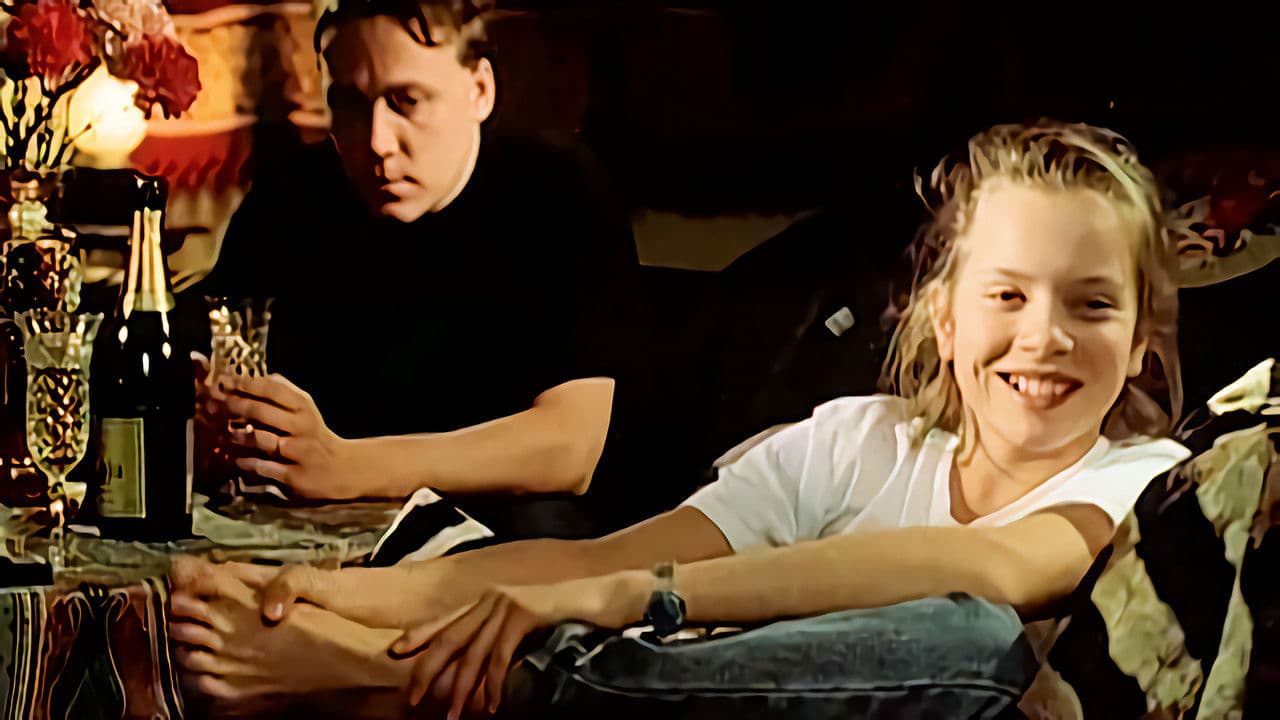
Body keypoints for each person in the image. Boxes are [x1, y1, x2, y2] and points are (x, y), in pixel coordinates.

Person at [171, 120, 1193, 718]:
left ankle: (417, 692)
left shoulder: (1150, 480)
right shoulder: (854, 440)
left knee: (970, 636)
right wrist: (321, 591)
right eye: (1007, 296)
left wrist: (635, 597)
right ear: (945, 316)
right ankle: (394, 670)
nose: (1043, 338)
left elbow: (998, 570)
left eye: (1092, 305)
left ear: (1144, 334)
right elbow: (602, 558)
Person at [189, 0, 641, 538]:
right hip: (311, 527)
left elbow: (570, 446)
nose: (377, 143)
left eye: (407, 101)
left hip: (505, 535)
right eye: (350, 105)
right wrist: (202, 400)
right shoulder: (290, 197)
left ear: (480, 90)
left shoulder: (558, 193)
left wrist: (346, 466)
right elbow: (206, 350)